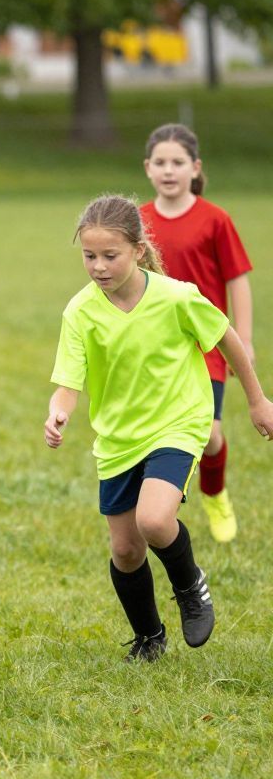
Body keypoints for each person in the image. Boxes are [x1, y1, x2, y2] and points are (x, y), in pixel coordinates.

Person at [45, 195, 273, 662]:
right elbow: (68, 383)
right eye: (90, 256)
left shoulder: (177, 297)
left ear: (139, 250)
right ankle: (149, 637)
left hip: (177, 422)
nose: (99, 266)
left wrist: (257, 401)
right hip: (118, 438)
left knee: (153, 520)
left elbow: (227, 338)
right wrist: (59, 412)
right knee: (126, 550)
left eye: (110, 255)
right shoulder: (80, 311)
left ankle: (190, 585)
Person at [139, 123, 254, 542]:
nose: (169, 170)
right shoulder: (138, 221)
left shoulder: (215, 219)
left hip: (208, 343)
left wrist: (245, 339)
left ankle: (215, 493)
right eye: (161, 162)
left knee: (210, 434)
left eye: (178, 162)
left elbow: (237, 279)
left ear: (195, 167)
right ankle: (156, 500)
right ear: (148, 168)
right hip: (157, 345)